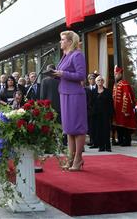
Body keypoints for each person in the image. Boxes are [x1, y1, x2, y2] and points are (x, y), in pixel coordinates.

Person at [54, 30, 87, 171]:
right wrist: (56, 74)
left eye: (62, 39)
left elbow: (81, 75)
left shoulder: (77, 54)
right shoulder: (64, 56)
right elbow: (63, 74)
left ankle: (78, 158)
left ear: (69, 41)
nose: (60, 42)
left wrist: (63, 73)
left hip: (75, 95)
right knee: (68, 128)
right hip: (64, 93)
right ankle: (71, 157)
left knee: (78, 128)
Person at [112, 66, 137, 147]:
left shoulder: (124, 84)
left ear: (120, 74)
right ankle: (120, 140)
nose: (115, 75)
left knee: (125, 126)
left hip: (123, 109)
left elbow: (127, 97)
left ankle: (127, 141)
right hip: (116, 110)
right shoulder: (115, 85)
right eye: (115, 74)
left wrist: (126, 110)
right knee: (118, 126)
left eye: (117, 73)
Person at [91, 75, 113, 152]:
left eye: (101, 80)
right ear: (96, 82)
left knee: (106, 130)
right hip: (96, 114)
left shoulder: (108, 91)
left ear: (103, 82)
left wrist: (111, 113)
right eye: (98, 80)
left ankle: (108, 147)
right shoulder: (93, 92)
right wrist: (93, 112)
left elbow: (111, 103)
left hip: (105, 114)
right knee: (98, 130)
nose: (100, 82)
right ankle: (101, 146)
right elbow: (91, 103)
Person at [85, 73, 97, 147]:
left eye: (93, 78)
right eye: (90, 79)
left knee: (95, 126)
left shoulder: (98, 87)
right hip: (88, 111)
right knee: (90, 127)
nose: (91, 80)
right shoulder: (86, 88)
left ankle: (95, 141)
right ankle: (91, 140)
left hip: (96, 110)